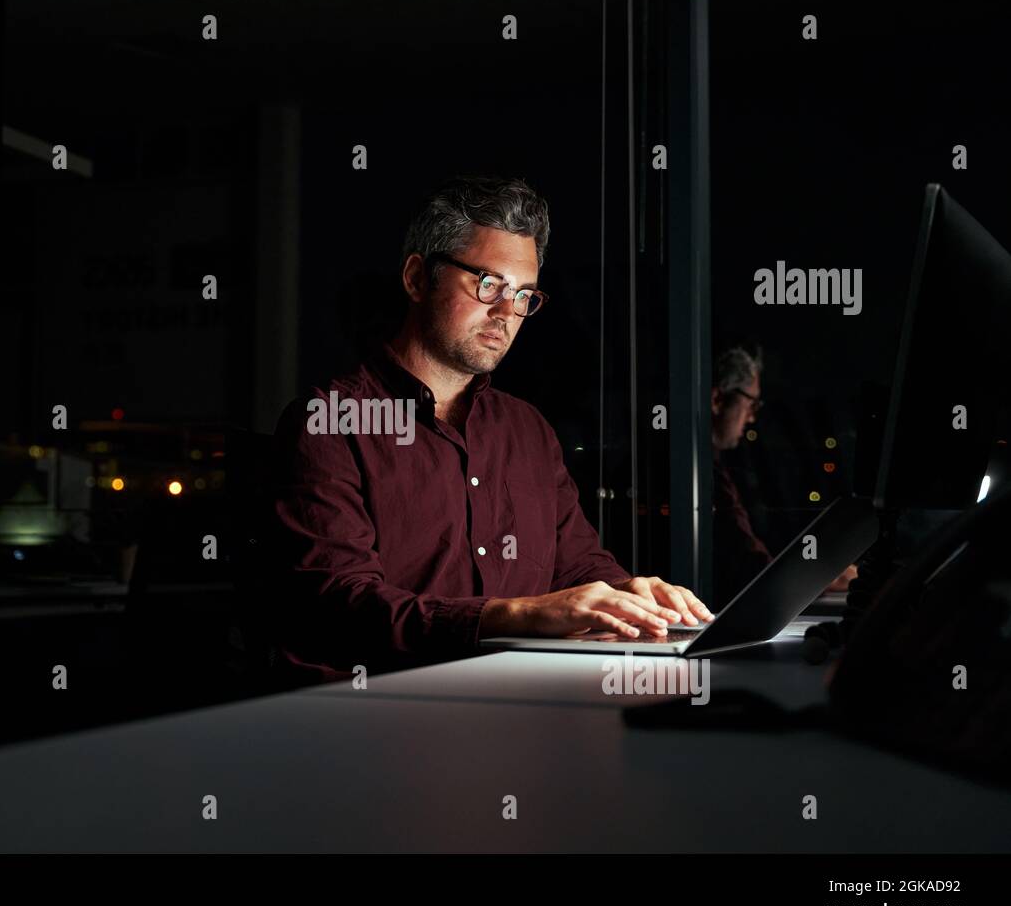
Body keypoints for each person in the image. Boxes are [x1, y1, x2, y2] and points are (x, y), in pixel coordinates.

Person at [268, 173, 713, 684]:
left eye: (523, 295)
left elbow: (577, 566)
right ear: (417, 278)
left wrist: (630, 595)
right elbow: (338, 602)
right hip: (375, 706)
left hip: (517, 697)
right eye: (488, 284)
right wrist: (515, 614)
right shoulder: (328, 423)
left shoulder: (527, 430)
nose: (506, 313)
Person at [711, 344, 857, 606]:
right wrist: (818, 577)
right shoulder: (709, 472)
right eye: (751, 404)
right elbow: (748, 561)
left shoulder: (709, 466)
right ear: (717, 400)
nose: (751, 418)